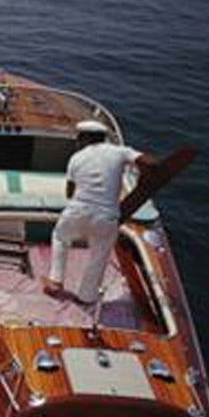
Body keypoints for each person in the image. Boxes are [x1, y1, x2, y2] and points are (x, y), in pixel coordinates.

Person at [45, 120, 156, 303]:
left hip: (77, 211)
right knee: (99, 255)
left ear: (87, 138)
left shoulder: (77, 158)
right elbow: (149, 162)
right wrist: (147, 177)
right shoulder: (121, 151)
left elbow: (69, 193)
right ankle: (87, 296)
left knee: (60, 237)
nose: (77, 141)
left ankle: (55, 282)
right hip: (107, 217)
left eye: (80, 138)